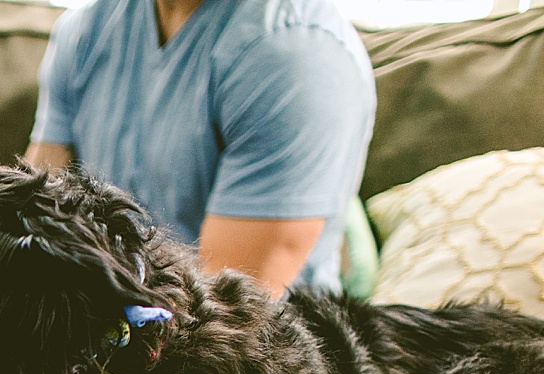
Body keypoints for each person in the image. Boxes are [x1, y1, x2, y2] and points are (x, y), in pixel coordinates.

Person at [25, 0, 375, 296]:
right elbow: (32, 215)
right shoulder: (86, 29)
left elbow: (226, 315)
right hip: (104, 317)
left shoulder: (295, 58)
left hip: (251, 355)